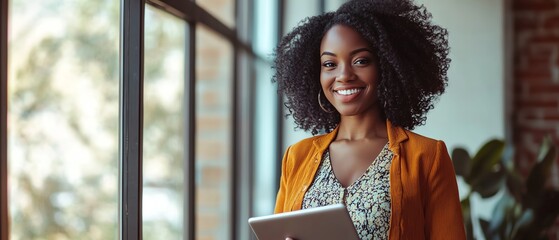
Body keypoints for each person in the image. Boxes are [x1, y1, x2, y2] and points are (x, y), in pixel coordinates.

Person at [273, 0, 466, 239]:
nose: (344, 75)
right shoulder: (296, 157)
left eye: (361, 61)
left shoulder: (427, 157)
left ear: (387, 66)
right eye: (330, 64)